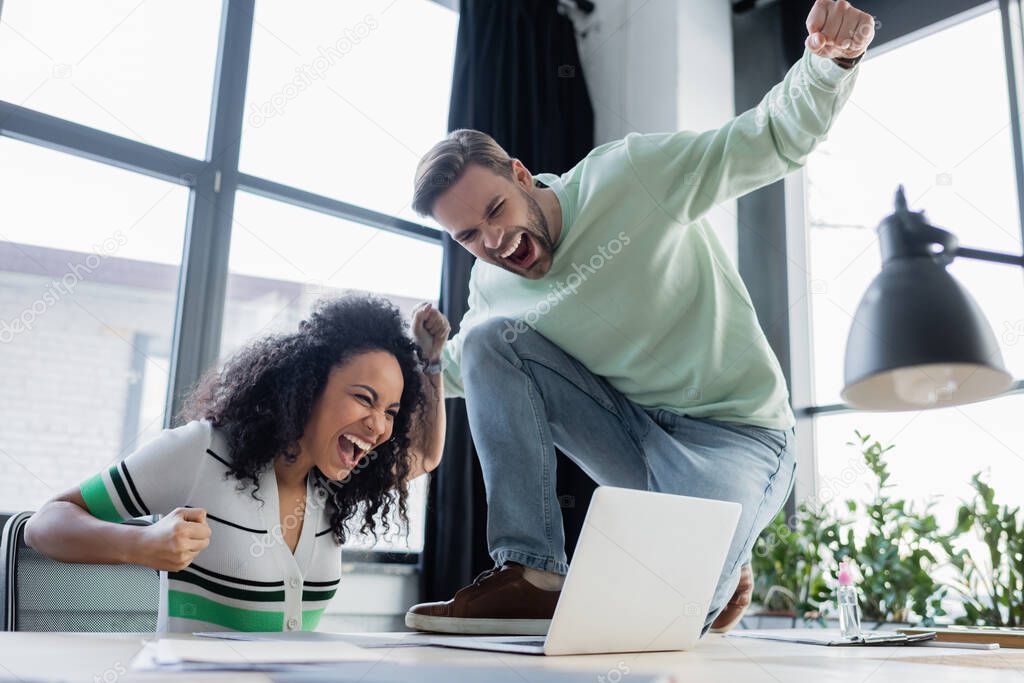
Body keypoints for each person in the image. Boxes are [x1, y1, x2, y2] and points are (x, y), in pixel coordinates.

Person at [404, 0, 875, 636]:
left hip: (738, 438)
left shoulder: (630, 176)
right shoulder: (493, 283)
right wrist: (416, 358)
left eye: (495, 211)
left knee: (655, 621)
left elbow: (767, 140)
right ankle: (531, 569)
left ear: (520, 175)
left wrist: (829, 64)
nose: (491, 241)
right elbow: (470, 372)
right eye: (468, 236)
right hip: (629, 438)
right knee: (489, 342)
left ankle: (717, 561)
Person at [25, 295, 450, 633]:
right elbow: (44, 524)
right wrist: (141, 544)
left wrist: (431, 363)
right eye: (363, 398)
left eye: (391, 412)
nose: (378, 426)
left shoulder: (337, 481)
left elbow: (427, 455)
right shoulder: (202, 452)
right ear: (308, 385)